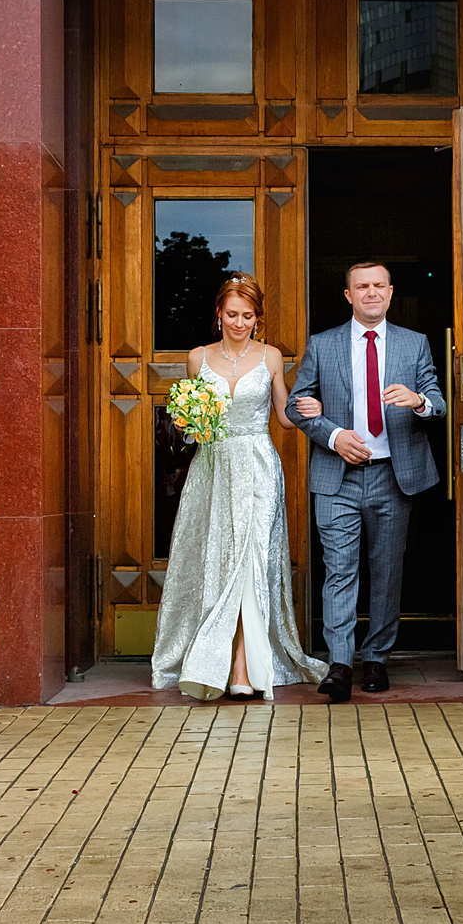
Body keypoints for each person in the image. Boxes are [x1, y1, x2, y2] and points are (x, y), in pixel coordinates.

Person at [152, 276, 327, 700]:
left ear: (257, 318)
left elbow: (283, 417)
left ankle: (242, 667)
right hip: (212, 467)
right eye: (232, 314)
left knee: (252, 561)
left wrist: (311, 409)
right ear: (218, 313)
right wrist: (183, 421)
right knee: (217, 561)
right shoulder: (198, 358)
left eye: (248, 316)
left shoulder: (270, 357)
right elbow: (190, 417)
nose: (239, 323)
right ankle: (214, 658)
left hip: (258, 467)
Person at [286, 262, 446, 699]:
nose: (371, 293)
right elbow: (294, 406)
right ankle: (340, 664)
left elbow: (439, 403)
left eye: (378, 286)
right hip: (338, 477)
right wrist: (333, 436)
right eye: (362, 287)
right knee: (339, 570)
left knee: (387, 571)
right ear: (348, 295)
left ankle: (376, 659)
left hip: (394, 476)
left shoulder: (415, 344)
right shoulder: (323, 344)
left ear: (390, 293)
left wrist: (418, 401)